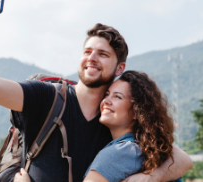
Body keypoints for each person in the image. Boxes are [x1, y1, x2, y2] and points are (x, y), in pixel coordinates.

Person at [0, 0, 193, 181]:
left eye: (103, 54)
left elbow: (181, 159)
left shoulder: (117, 119)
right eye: (87, 52)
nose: (92, 58)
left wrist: (151, 177)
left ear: (120, 68)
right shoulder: (47, 97)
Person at [14, 70, 175, 182]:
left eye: (117, 97)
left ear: (137, 112)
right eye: (107, 94)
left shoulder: (118, 154)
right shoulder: (149, 149)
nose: (106, 101)